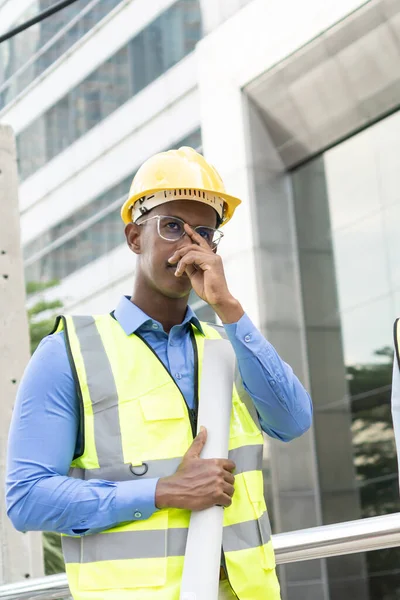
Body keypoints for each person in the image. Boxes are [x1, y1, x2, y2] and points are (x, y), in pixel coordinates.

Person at [6, 147, 313, 599]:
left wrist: (227, 308)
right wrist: (161, 491)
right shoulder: (68, 354)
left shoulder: (229, 343)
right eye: (172, 226)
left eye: (204, 233)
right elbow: (27, 500)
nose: (188, 245)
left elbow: (293, 421)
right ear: (135, 237)